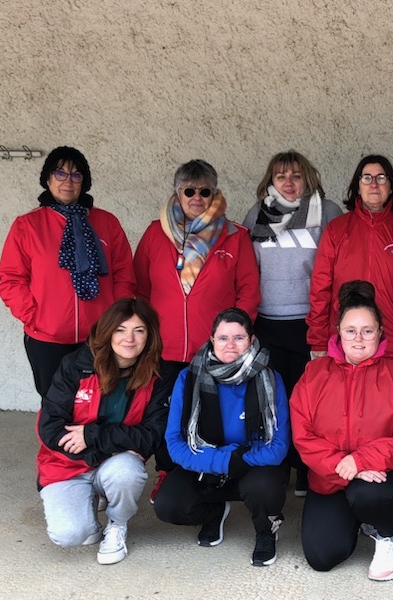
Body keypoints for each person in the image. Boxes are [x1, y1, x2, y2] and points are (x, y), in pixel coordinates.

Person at [290, 280, 393, 581]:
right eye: (350, 331)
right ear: (338, 334)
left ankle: (387, 538)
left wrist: (362, 460)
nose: (359, 339)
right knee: (322, 555)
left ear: (380, 332)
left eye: (367, 331)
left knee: (367, 494)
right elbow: (303, 436)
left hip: (385, 476)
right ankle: (357, 519)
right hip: (331, 476)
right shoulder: (314, 374)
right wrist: (344, 467)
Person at [134, 159, 261, 499]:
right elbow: (140, 289)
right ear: (177, 193)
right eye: (189, 190)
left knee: (211, 414)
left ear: (214, 193)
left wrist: (234, 338)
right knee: (165, 414)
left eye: (205, 191)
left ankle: (215, 473)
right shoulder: (155, 233)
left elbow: (248, 290)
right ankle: (168, 472)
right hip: (165, 348)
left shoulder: (235, 237)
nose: (197, 197)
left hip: (214, 350)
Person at [36, 298, 172, 565]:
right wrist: (110, 444)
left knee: (126, 472)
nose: (129, 339)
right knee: (70, 535)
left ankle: (117, 524)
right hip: (68, 465)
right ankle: (89, 508)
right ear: (107, 331)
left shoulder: (158, 375)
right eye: (120, 330)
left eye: (139, 330)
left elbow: (152, 436)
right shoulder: (75, 365)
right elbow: (50, 427)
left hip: (115, 462)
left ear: (150, 335)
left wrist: (91, 435)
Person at [153, 308, 290, 567]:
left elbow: (279, 446)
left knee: (264, 488)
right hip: (210, 461)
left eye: (239, 337)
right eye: (223, 337)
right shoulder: (189, 378)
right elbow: (175, 442)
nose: (230, 344)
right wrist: (223, 461)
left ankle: (265, 531)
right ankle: (213, 512)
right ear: (212, 340)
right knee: (169, 505)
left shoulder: (270, 378)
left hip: (251, 465)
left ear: (251, 340)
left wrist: (241, 459)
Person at [0, 146, 136, 399]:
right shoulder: (27, 225)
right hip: (46, 337)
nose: (67, 182)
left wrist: (117, 315)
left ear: (84, 181)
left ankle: (91, 441)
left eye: (76, 175)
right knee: (54, 401)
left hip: (99, 336)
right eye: (60, 174)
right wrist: (34, 316)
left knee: (97, 400)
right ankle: (52, 441)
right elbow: (11, 279)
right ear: (48, 179)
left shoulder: (107, 223)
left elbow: (124, 274)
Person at [242, 150, 342, 497]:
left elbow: (334, 270)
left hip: (310, 324)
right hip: (268, 323)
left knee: (312, 402)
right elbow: (248, 270)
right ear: (270, 180)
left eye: (296, 175)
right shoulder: (257, 215)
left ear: (308, 178)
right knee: (276, 399)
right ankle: (279, 464)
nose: (288, 181)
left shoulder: (327, 212)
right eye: (281, 175)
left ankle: (307, 466)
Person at [307, 155, 393, 366]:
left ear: (391, 186)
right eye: (367, 178)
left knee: (391, 397)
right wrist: (318, 339)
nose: (374, 184)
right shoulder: (337, 230)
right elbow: (320, 287)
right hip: (347, 338)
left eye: (381, 177)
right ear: (357, 187)